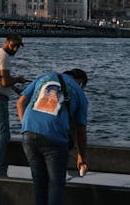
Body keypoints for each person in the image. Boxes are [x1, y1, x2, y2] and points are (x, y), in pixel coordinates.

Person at [17, 68, 89, 205]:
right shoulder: (79, 92)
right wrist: (82, 156)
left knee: (39, 184)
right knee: (56, 185)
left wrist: (26, 127)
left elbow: (20, 103)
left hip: (28, 134)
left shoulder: (43, 76)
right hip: (54, 139)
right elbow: (81, 128)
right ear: (80, 82)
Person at [0, 33, 27, 176]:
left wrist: (16, 89)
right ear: (7, 42)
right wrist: (18, 79)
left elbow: (2, 81)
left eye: (18, 47)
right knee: (4, 134)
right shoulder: (4, 57)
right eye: (13, 45)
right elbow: (5, 82)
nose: (15, 49)